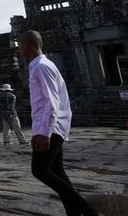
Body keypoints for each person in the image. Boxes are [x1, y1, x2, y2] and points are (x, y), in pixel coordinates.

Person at [19, 30, 101, 216]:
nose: (18, 50)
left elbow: (51, 102)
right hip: (49, 125)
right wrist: (37, 130)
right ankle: (74, 212)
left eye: (19, 45)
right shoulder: (40, 65)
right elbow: (43, 103)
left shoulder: (41, 66)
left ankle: (89, 211)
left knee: (40, 170)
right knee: (57, 170)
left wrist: (45, 132)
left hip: (52, 127)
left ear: (27, 45)